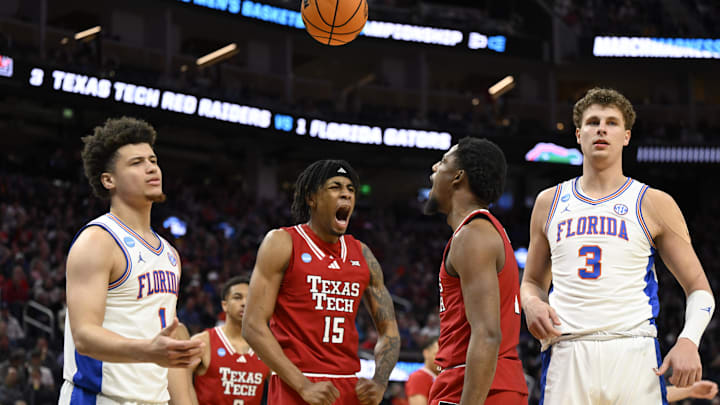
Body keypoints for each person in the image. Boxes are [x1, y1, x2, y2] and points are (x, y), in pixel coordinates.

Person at [520, 88, 715, 404]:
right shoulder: (548, 202)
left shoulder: (654, 202)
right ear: (578, 134)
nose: (601, 128)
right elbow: (531, 283)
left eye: (611, 122)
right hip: (567, 350)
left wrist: (689, 341)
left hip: (634, 350)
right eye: (593, 121)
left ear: (625, 136)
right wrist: (531, 303)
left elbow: (699, 288)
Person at [58, 117, 203, 404]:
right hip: (100, 398)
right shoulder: (98, 240)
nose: (151, 167)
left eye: (153, 159)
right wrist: (149, 350)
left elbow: (163, 341)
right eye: (136, 163)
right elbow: (85, 336)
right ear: (109, 180)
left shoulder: (170, 253)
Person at [243, 159, 401, 405]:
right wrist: (302, 384)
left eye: (350, 189)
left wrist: (380, 381)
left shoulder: (363, 254)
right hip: (297, 384)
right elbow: (253, 325)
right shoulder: (282, 242)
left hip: (350, 386)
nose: (346, 194)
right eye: (335, 187)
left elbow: (389, 330)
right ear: (311, 198)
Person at [424, 138, 528, 405]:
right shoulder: (483, 231)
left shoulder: (473, 235)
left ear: (458, 176)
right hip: (487, 383)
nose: (435, 168)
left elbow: (487, 334)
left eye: (444, 161)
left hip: (477, 386)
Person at [173, 276, 271, 405]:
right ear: (224, 305)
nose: (244, 303)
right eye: (237, 297)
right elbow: (180, 384)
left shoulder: (266, 348)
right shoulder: (204, 341)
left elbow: (280, 389)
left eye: (250, 298)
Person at [405, 338, 438, 405]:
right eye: (436, 354)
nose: (440, 358)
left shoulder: (443, 376)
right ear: (426, 353)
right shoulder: (417, 377)